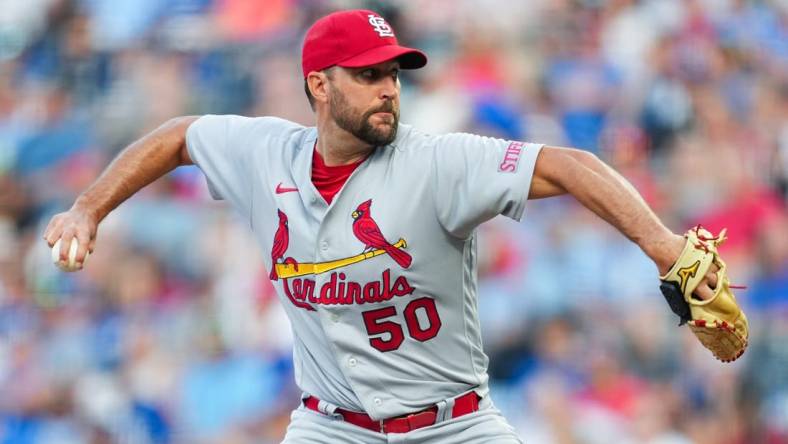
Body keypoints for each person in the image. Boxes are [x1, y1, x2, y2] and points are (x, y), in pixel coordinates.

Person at [43, 9, 722, 443]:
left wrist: (663, 246)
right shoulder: (264, 155)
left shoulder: (437, 163)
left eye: (393, 74)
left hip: (455, 424)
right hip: (330, 427)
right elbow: (179, 135)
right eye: (368, 76)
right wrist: (89, 207)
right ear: (319, 85)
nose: (389, 88)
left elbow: (570, 164)